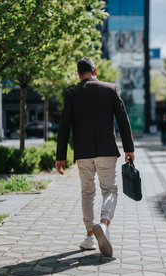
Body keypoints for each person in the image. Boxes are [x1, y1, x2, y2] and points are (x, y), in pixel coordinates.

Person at [55, 57, 134, 257]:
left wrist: (60, 156)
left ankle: (90, 236)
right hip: (107, 150)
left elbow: (64, 126)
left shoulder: (71, 93)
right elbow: (123, 120)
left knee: (87, 192)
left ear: (78, 73)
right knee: (110, 191)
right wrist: (129, 148)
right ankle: (104, 223)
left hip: (83, 153)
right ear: (95, 70)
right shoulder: (110, 89)